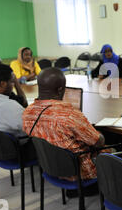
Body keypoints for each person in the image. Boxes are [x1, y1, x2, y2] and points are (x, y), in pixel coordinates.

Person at [22, 67, 106, 198]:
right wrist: (97, 132)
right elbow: (98, 142)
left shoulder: (27, 112)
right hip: (78, 172)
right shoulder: (69, 115)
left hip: (49, 166)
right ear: (61, 89)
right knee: (111, 147)